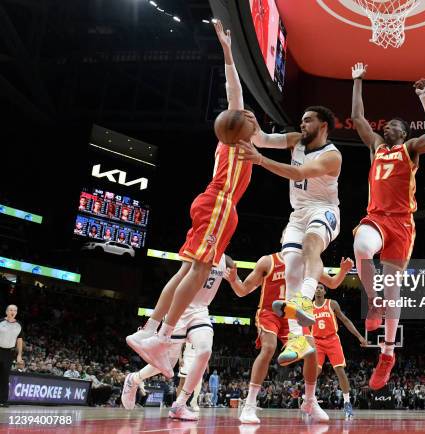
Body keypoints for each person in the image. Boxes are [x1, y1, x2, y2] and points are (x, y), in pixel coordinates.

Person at [124, 19, 258, 378]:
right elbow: (235, 98)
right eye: (247, 116)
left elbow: (235, 96)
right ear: (238, 126)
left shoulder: (240, 140)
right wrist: (227, 57)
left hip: (216, 205)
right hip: (218, 204)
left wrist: (229, 52)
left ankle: (151, 330)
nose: (250, 114)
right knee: (198, 271)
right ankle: (164, 337)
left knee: (188, 269)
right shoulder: (237, 142)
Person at [350, 62, 425, 390]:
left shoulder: (410, 148)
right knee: (361, 246)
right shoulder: (376, 147)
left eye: (391, 126)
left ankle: (387, 354)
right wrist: (358, 80)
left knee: (394, 288)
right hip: (376, 218)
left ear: (402, 132)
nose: (386, 128)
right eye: (385, 126)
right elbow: (358, 119)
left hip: (402, 223)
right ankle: (372, 300)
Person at [237, 105, 341, 366]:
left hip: (324, 209)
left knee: (310, 246)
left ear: (323, 126)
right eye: (302, 120)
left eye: (308, 121)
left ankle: (304, 300)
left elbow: (297, 173)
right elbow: (262, 140)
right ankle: (298, 338)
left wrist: (260, 160)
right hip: (298, 213)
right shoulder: (295, 140)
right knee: (292, 264)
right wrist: (253, 126)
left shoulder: (332, 156)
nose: (302, 124)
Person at [226, 253, 352, 423]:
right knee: (269, 347)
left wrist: (343, 271)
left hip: (293, 315)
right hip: (270, 313)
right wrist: (234, 280)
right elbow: (242, 291)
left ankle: (309, 401)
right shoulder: (268, 261)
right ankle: (249, 405)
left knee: (310, 350)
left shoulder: (307, 262)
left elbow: (333, 283)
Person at [122, 254, 245, 420]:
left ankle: (180, 404)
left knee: (205, 351)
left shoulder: (228, 260)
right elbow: (179, 277)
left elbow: (240, 291)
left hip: (200, 311)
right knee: (168, 364)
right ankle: (134, 379)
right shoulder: (200, 249)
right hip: (179, 310)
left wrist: (233, 280)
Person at [312, 282, 367, 420]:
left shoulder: (332, 304)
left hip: (332, 340)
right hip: (316, 341)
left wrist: (359, 336)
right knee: (315, 371)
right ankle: (310, 400)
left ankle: (347, 403)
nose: (318, 290)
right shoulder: (308, 306)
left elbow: (345, 320)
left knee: (340, 371)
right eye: (316, 288)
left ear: (324, 292)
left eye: (321, 288)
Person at [0, 305, 23, 407]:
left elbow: (19, 340)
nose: (12, 311)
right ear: (6, 312)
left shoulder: (19, 325)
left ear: (16, 313)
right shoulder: (1, 322)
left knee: (5, 377)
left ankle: (3, 400)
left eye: (15, 310)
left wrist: (19, 355)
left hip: (9, 352)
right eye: (10, 310)